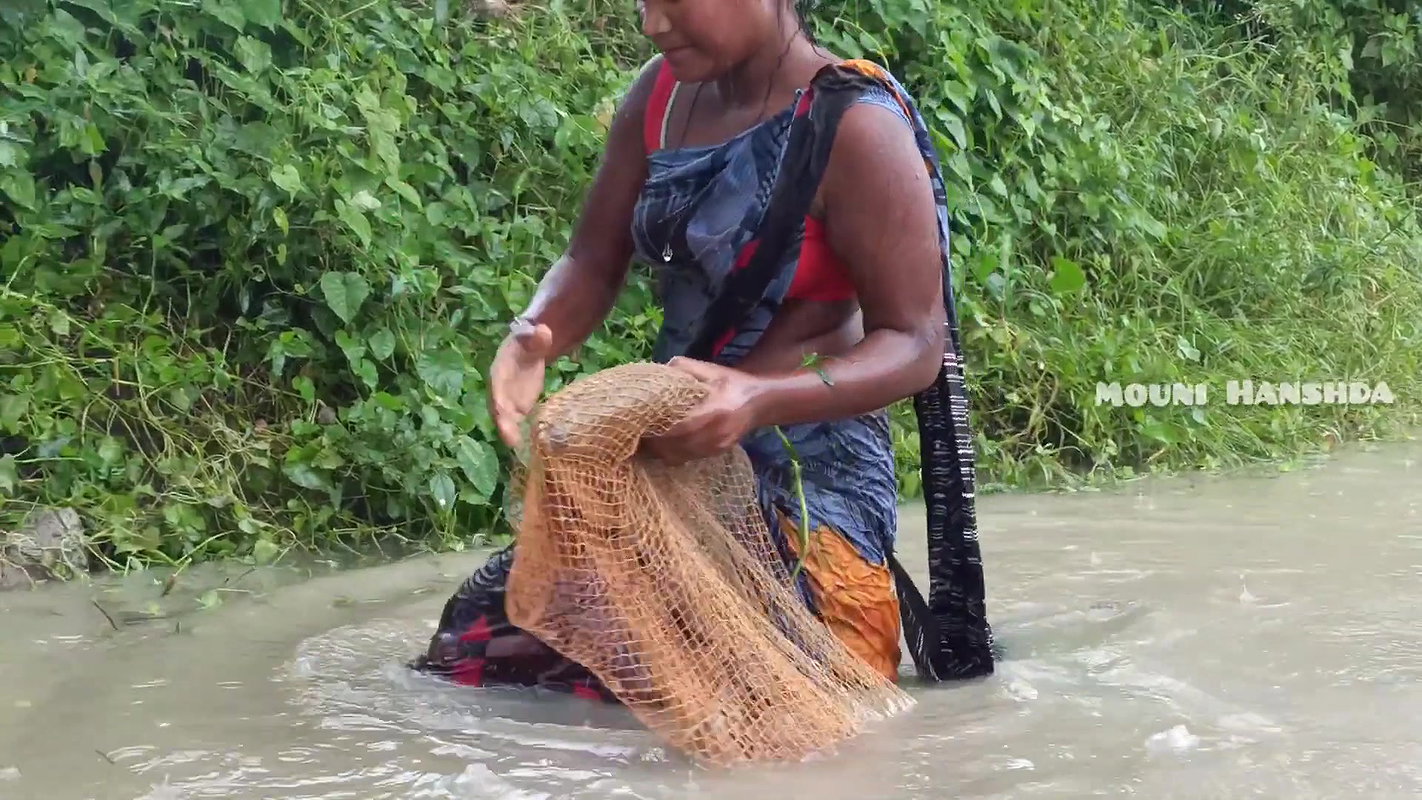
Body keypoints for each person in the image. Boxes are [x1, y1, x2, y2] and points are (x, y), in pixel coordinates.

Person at [412, 0, 994, 700]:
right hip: (675, 457)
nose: (652, 23)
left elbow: (915, 343)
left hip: (809, 485)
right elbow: (592, 260)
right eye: (641, 1)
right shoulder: (659, 97)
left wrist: (757, 399)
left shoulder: (856, 126)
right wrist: (533, 333)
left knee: (776, 698)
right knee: (477, 650)